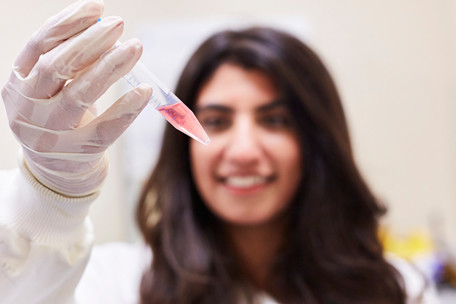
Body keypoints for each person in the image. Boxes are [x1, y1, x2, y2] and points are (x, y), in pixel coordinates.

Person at [0, 0, 439, 303]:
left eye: (275, 120)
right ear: (183, 147)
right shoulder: (119, 284)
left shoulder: (394, 287)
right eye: (217, 120)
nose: (243, 150)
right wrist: (49, 194)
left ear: (318, 143)